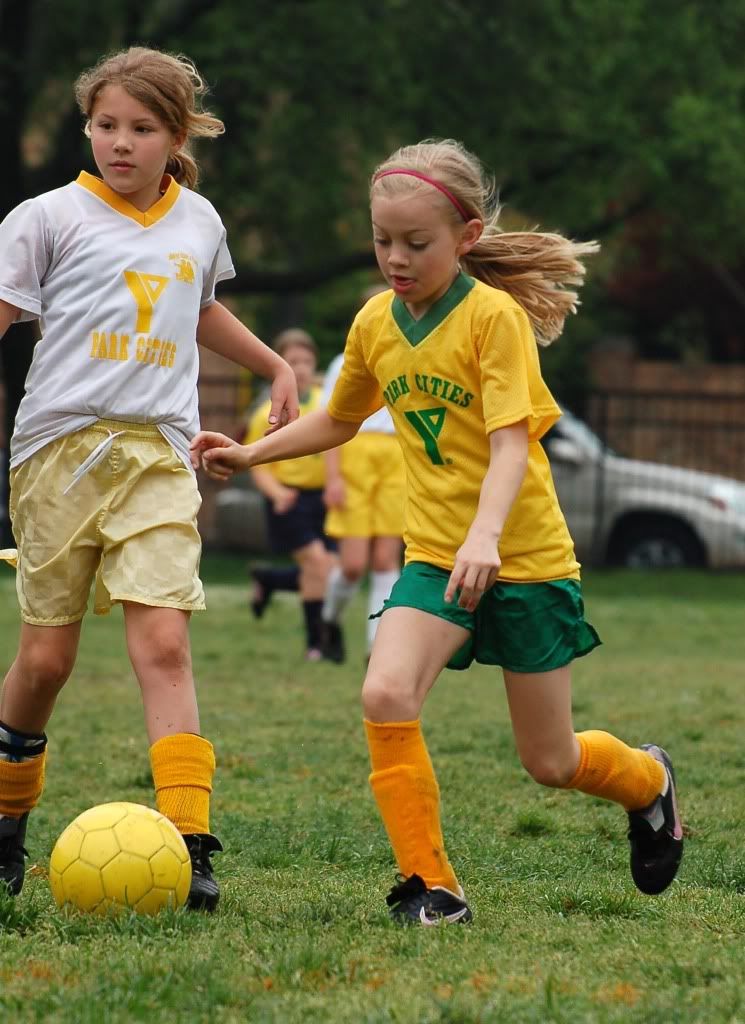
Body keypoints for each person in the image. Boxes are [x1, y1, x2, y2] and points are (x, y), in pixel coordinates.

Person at [190, 138, 683, 924]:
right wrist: (251, 451)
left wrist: (485, 537)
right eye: (382, 241)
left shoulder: (492, 319)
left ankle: (648, 784)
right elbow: (339, 418)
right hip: (433, 556)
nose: (394, 257)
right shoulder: (375, 323)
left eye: (415, 243)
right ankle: (433, 887)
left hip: (522, 558)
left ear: (466, 238)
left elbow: (512, 442)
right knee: (383, 691)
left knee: (549, 762)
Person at [0, 46, 299, 911]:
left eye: (141, 129)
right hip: (57, 455)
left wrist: (275, 363)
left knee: (163, 644)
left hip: (162, 455)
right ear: (86, 127)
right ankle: (8, 821)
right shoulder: (43, 218)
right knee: (46, 661)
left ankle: (192, 843)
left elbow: (197, 306)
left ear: (177, 134)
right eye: (105, 126)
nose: (120, 144)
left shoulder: (199, 220)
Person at [320, 288, 405, 664]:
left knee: (387, 559)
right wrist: (333, 477)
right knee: (353, 564)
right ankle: (330, 619)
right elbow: (331, 422)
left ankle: (377, 647)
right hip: (356, 454)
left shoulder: (411, 355)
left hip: (397, 458)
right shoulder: (344, 362)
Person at [243, 328, 335, 661]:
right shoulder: (267, 412)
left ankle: (268, 579)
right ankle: (316, 645)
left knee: (327, 571)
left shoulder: (329, 403)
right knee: (318, 565)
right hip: (290, 500)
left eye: (307, 360)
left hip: (324, 498)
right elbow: (257, 463)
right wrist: (277, 493)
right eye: (292, 361)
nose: (301, 368)